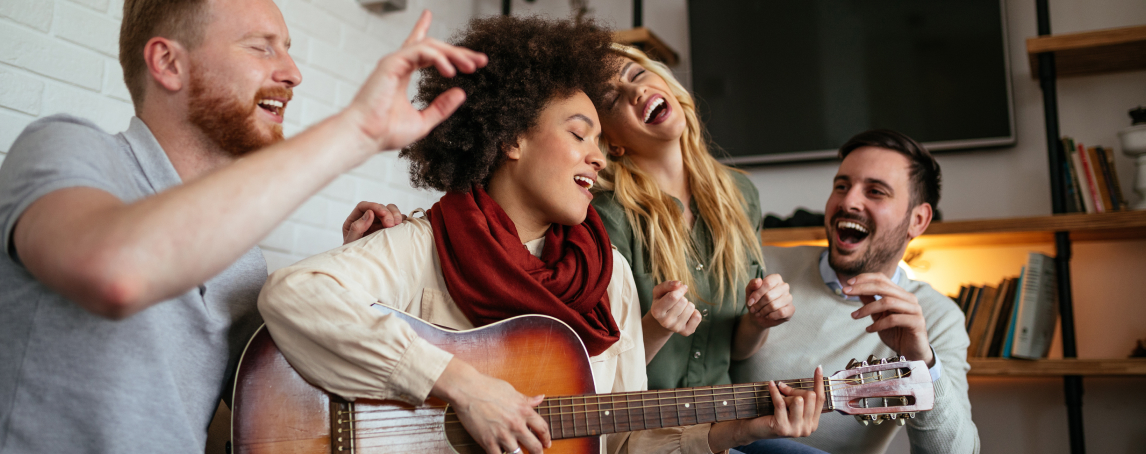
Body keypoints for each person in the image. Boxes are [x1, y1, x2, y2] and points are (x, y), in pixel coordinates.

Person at [259, 15, 825, 454]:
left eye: (601, 142)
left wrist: (734, 431)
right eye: (580, 134)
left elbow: (620, 439)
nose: (598, 158)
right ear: (511, 138)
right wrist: (465, 387)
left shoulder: (611, 277)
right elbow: (292, 294)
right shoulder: (427, 242)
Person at [0, 0, 487, 451]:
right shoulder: (68, 148)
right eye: (261, 47)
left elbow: (269, 404)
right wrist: (355, 130)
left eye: (289, 50)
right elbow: (114, 274)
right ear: (168, 63)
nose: (292, 73)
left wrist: (353, 275)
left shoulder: (242, 258)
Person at [730, 130, 980, 454]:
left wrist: (921, 362)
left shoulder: (937, 318)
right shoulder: (762, 264)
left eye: (875, 191)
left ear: (917, 220)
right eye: (841, 186)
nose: (848, 202)